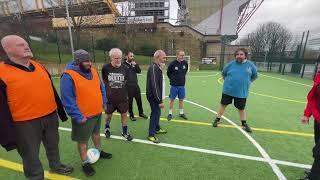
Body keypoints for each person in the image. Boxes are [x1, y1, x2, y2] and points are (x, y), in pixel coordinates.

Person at [0, 35, 73, 179]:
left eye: (26, 44)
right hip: (24, 123)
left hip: (50, 116)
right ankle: (36, 177)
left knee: (53, 145)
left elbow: (51, 90)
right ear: (7, 49)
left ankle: (56, 165)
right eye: (20, 45)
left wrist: (61, 113)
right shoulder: (2, 72)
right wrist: (6, 136)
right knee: (30, 155)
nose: (26, 46)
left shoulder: (39, 66)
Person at [60, 49, 112, 177]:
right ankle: (85, 162)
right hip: (83, 116)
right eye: (86, 61)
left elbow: (101, 88)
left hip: (97, 112)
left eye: (89, 60)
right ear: (78, 62)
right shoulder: (68, 76)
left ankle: (99, 151)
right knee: (83, 141)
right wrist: (78, 116)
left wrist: (104, 102)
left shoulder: (93, 70)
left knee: (96, 134)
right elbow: (67, 99)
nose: (89, 63)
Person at [212, 48, 257, 133]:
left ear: (245, 55)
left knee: (241, 108)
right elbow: (224, 73)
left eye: (241, 54)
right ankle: (217, 119)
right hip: (228, 90)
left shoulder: (250, 65)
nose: (239, 56)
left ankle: (244, 124)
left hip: (241, 92)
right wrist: (229, 83)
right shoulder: (230, 64)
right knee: (223, 105)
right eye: (237, 54)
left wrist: (247, 82)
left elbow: (254, 76)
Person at [102, 48, 133, 141]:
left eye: (119, 58)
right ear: (111, 58)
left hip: (122, 98)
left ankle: (125, 132)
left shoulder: (125, 68)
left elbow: (126, 81)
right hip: (110, 98)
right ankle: (107, 127)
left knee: (124, 114)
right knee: (108, 116)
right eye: (116, 58)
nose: (118, 60)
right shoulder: (105, 68)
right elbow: (104, 81)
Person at [300, 72, 320, 180]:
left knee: (318, 150)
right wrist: (307, 114)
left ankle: (314, 176)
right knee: (317, 147)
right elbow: (313, 97)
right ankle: (315, 170)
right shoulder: (318, 75)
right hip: (318, 119)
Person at [146, 50, 168, 143]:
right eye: (163, 57)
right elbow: (154, 85)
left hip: (157, 96)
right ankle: (151, 134)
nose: (165, 59)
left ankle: (157, 128)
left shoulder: (157, 67)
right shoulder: (154, 68)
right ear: (158, 57)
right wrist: (159, 101)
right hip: (153, 97)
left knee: (157, 113)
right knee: (155, 113)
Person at [123, 51, 148, 121]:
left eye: (133, 56)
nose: (132, 57)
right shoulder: (123, 65)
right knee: (130, 102)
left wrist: (136, 64)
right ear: (126, 57)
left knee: (139, 100)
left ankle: (141, 113)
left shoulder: (133, 64)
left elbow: (139, 71)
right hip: (128, 87)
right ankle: (131, 115)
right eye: (131, 56)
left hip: (135, 85)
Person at [167, 50, 188, 121]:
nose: (183, 57)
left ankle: (181, 113)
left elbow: (185, 72)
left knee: (181, 99)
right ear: (177, 55)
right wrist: (173, 80)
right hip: (174, 86)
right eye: (181, 55)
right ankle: (170, 113)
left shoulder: (185, 63)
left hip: (182, 86)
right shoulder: (172, 64)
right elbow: (168, 73)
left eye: (183, 55)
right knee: (172, 99)